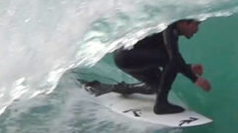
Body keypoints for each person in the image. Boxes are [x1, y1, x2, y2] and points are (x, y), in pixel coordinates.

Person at [83, 19, 211, 114]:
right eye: (197, 24)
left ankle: (110, 88)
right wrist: (194, 78)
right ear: (185, 23)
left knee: (156, 86)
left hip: (126, 58)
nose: (197, 29)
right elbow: (173, 58)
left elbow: (171, 56)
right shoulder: (169, 29)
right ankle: (161, 104)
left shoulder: (171, 32)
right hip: (128, 56)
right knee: (171, 62)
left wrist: (187, 68)